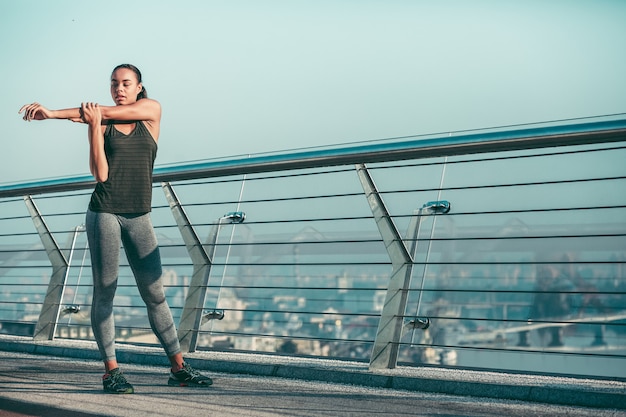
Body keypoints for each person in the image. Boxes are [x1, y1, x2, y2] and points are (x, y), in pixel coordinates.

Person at [19, 64, 213, 394]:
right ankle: (112, 371)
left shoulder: (151, 111)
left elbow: (99, 111)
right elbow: (101, 175)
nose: (119, 89)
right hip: (104, 212)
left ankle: (179, 367)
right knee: (105, 290)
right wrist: (92, 126)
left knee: (155, 293)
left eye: (126, 83)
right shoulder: (103, 123)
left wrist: (56, 114)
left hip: (140, 215)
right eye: (114, 84)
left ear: (139, 88)